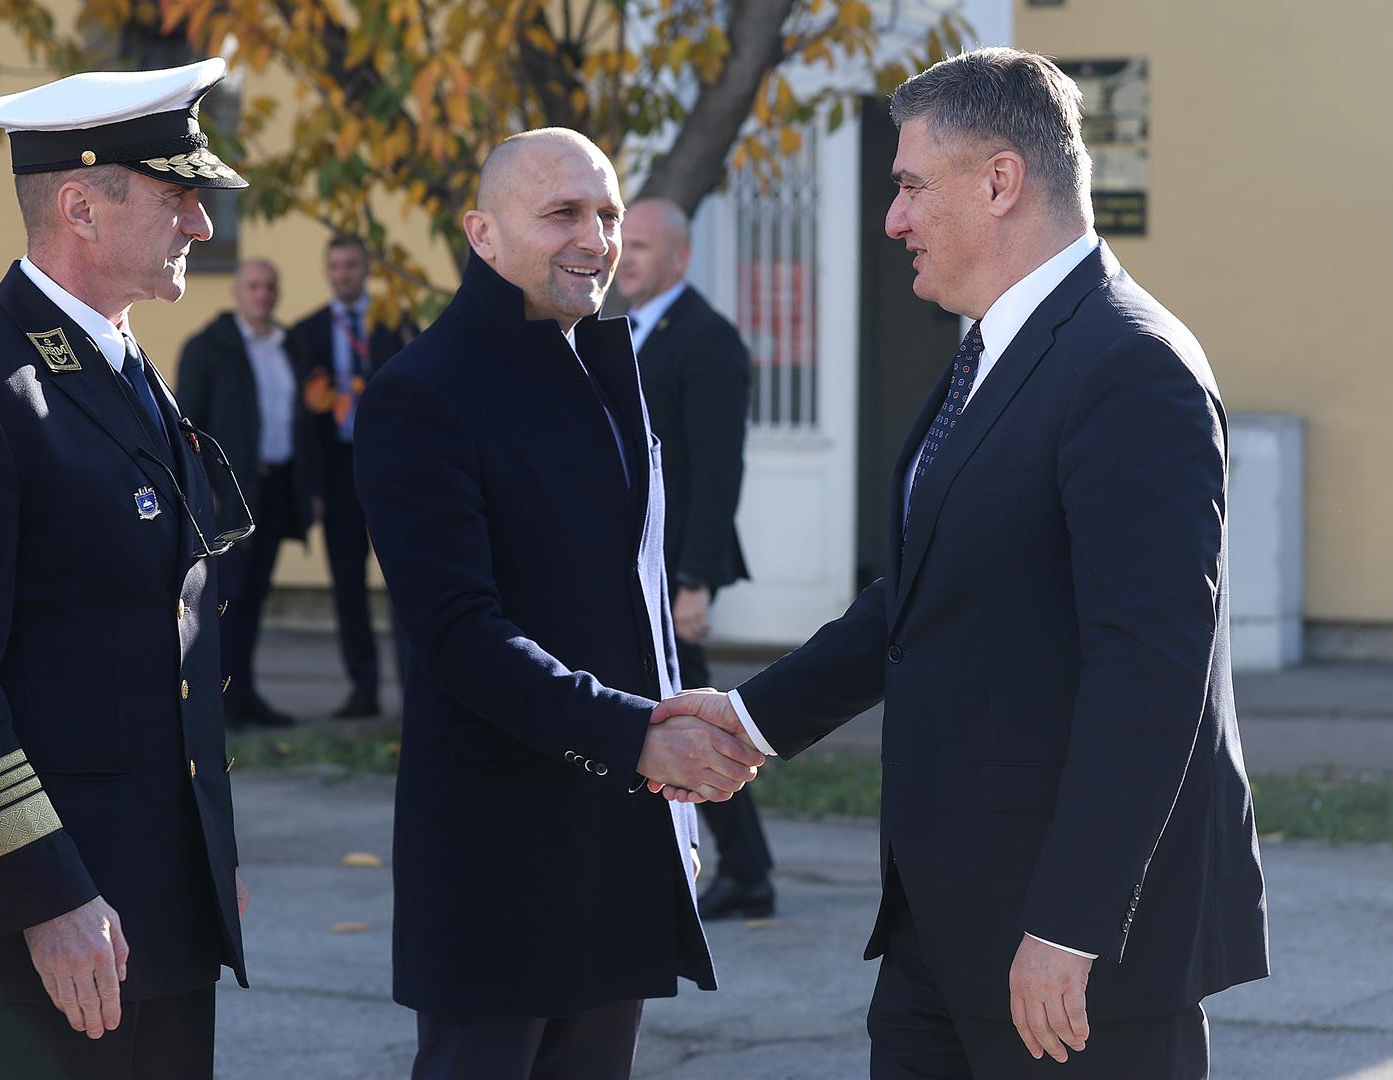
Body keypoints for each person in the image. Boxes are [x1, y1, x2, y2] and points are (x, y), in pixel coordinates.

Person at [653, 47, 1269, 1079]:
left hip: (1069, 958)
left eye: (905, 187)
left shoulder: (1130, 367)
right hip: (939, 930)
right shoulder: (992, 350)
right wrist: (756, 718)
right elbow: (928, 591)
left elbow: (1149, 674)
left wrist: (1069, 926)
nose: (889, 219)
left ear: (998, 182)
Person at [353, 127, 766, 1080]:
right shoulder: (422, 394)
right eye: (562, 214)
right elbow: (457, 635)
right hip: (498, 860)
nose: (595, 237)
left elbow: (636, 612)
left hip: (614, 847)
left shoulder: (600, 374)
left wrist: (674, 816)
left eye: (608, 215)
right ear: (482, 234)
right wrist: (635, 736)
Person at [0, 59, 252, 1077]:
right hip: (39, 939)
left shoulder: (120, 369)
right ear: (82, 206)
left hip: (155, 916)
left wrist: (205, 851)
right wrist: (45, 894)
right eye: (180, 198)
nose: (202, 227)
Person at [615, 198, 776, 920]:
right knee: (672, 716)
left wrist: (694, 582)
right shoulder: (619, 331)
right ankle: (735, 867)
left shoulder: (705, 337)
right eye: (625, 243)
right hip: (633, 565)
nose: (626, 257)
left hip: (677, 567)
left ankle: (746, 873)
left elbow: (717, 471)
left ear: (679, 257)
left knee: (694, 718)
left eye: (642, 246)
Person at [179, 259, 313, 729]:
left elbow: (302, 422)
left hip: (276, 489)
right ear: (238, 291)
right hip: (228, 496)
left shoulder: (290, 346)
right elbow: (186, 426)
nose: (263, 294)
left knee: (255, 598)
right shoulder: (208, 347)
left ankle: (246, 694)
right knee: (223, 602)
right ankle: (215, 703)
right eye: (254, 285)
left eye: (270, 286)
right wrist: (204, 490)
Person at [291, 236, 412, 718]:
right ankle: (362, 689)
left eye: (352, 265)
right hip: (339, 469)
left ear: (366, 269)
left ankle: (413, 687)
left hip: (393, 468)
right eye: (335, 266)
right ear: (327, 270)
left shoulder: (395, 323)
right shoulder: (307, 332)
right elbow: (302, 423)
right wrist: (312, 489)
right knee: (347, 583)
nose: (343, 274)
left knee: (406, 577)